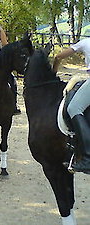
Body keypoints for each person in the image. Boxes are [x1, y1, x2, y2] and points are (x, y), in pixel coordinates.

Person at [53, 38, 90, 173]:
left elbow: (59, 56)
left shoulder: (86, 42)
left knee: (74, 107)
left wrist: (54, 71)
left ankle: (87, 158)